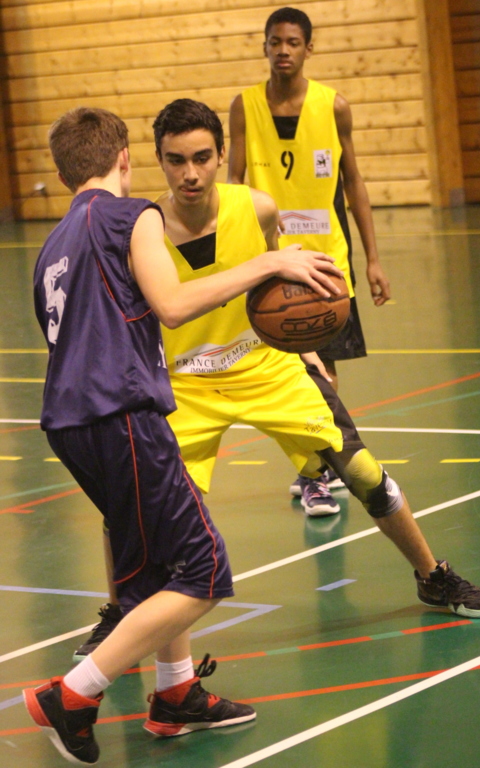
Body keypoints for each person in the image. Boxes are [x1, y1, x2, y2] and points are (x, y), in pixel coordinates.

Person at [74, 97, 480, 665]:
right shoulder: (141, 229)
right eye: (176, 160)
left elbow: (280, 287)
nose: (190, 173)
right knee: (132, 505)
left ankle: (432, 574)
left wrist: (307, 347)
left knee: (363, 472)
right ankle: (120, 611)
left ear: (222, 155)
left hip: (265, 365)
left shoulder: (258, 208)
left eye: (202, 157)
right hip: (186, 386)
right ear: (158, 160)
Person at [23, 106, 342, 765]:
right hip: (122, 415)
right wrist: (267, 264)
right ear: (125, 160)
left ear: (63, 171)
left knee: (154, 568)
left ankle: (175, 695)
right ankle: (74, 694)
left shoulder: (53, 246)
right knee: (203, 570)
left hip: (69, 424)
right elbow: (171, 305)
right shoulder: (131, 214)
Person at [228, 5, 391, 514]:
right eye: (275, 42)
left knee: (325, 374)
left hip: (326, 262)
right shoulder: (244, 107)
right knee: (285, 375)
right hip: (270, 262)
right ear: (264, 47)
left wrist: (373, 259)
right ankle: (315, 471)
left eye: (293, 42)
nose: (283, 50)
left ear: (308, 49)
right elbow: (233, 184)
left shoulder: (333, 106)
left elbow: (354, 182)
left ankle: (314, 473)